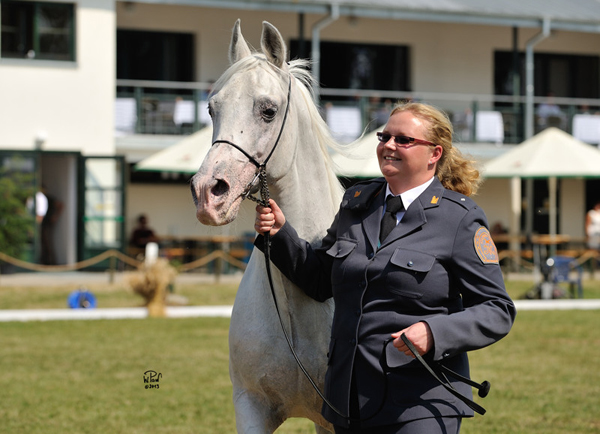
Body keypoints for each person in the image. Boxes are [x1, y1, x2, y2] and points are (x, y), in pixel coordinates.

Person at [254, 102, 516, 433]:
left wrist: (434, 334)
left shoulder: (459, 219)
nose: (389, 146)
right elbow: (321, 280)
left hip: (420, 402)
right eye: (385, 136)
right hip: (349, 401)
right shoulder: (356, 202)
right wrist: (279, 234)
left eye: (403, 140)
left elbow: (497, 310)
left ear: (434, 153)